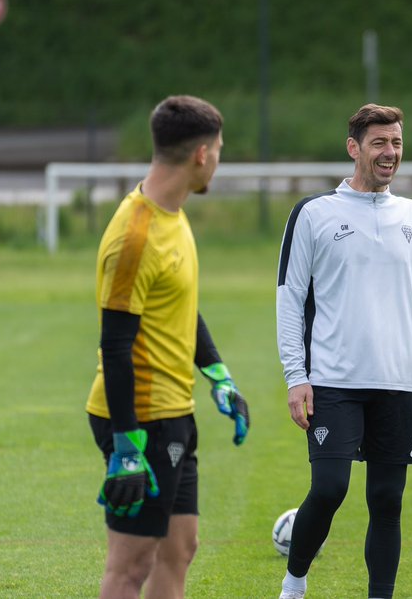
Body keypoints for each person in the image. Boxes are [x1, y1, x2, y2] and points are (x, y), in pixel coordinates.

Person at [274, 103, 412, 599]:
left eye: (396, 142)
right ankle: (294, 583)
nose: (390, 152)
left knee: (387, 501)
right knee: (329, 489)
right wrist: (295, 375)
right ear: (354, 148)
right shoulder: (314, 214)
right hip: (333, 379)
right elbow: (290, 297)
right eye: (379, 143)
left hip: (399, 381)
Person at [85, 94, 250, 599]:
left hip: (175, 412)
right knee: (130, 566)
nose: (219, 160)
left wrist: (217, 373)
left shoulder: (173, 215)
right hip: (139, 420)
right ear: (201, 154)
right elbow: (115, 346)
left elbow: (180, 306)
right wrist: (127, 446)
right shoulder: (135, 237)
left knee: (180, 548)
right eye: (219, 149)